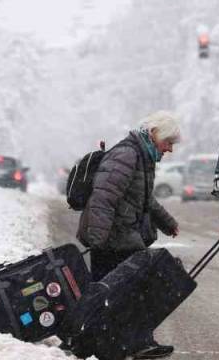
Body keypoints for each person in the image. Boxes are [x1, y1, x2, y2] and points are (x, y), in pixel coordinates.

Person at [78, 111, 182, 360]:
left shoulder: (141, 156)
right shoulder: (127, 154)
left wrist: (167, 223)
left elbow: (145, 199)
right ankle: (104, 343)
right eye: (168, 142)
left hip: (123, 236)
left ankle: (129, 343)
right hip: (113, 239)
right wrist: (99, 241)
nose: (169, 149)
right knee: (124, 293)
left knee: (128, 294)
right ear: (155, 134)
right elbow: (103, 198)